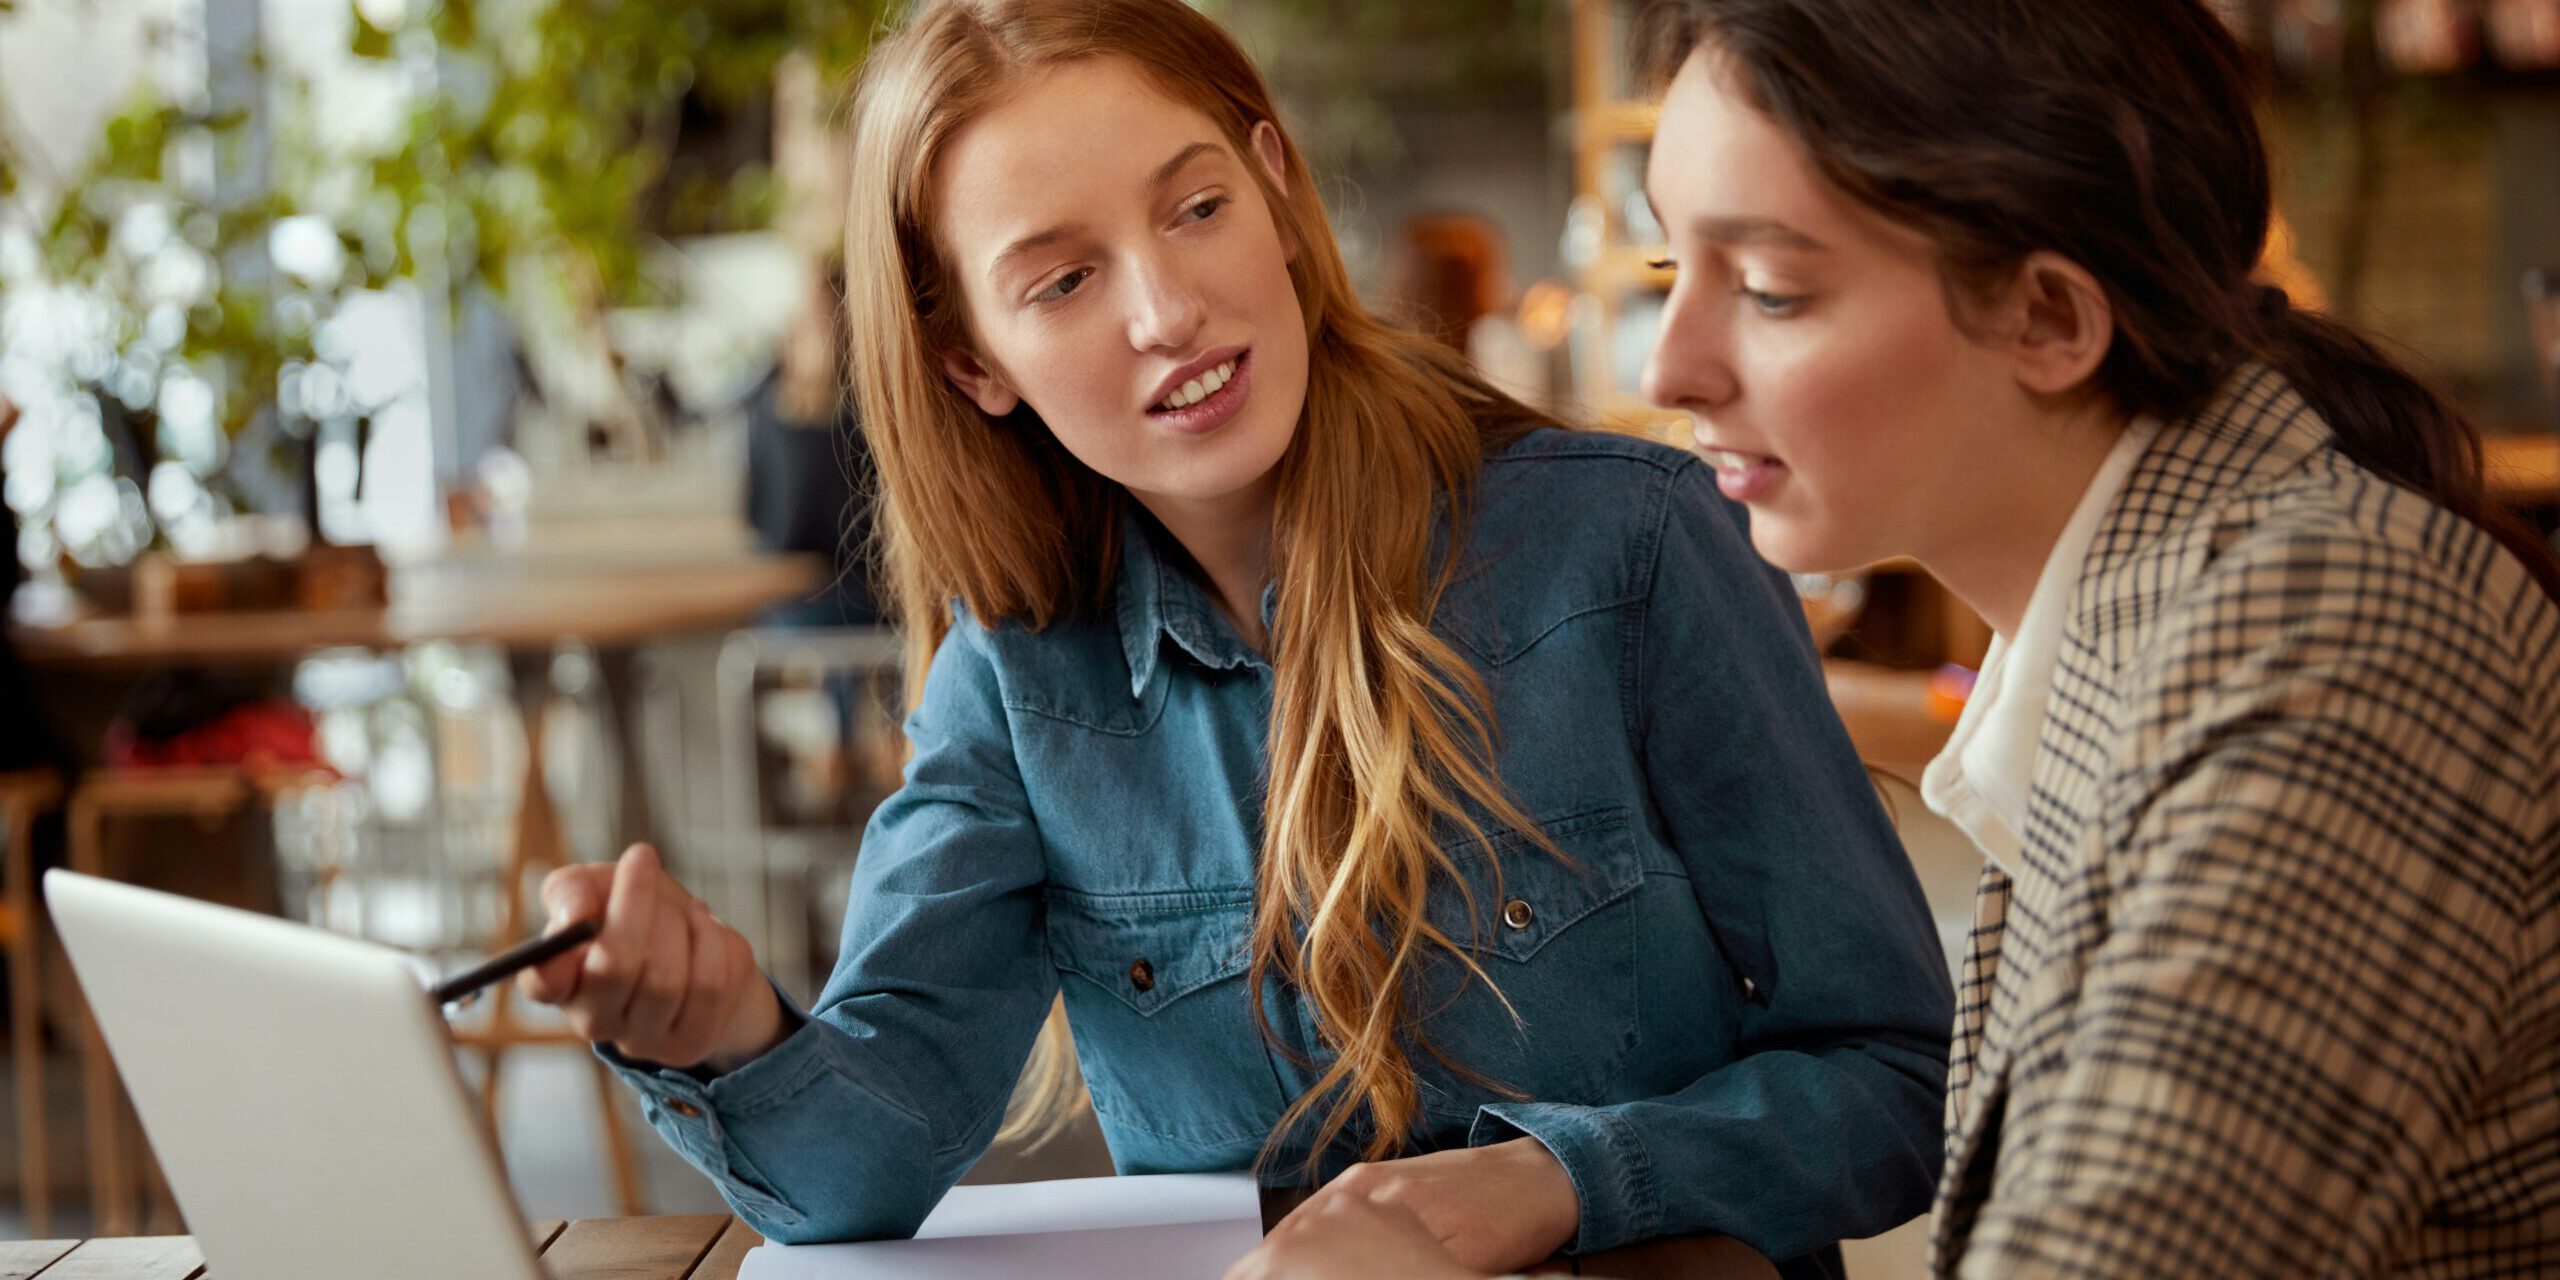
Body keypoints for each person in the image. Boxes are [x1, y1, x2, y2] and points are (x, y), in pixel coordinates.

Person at [519, 1, 1954, 1275]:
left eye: (1195, 207)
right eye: (1062, 282)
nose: (1168, 309)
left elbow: (1896, 1082)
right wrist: (721, 1033)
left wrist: (1544, 1188)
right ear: (973, 363)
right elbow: (857, 1174)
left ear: (1273, 183)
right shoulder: (1017, 686)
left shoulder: (1635, 545)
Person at [1233, 0, 2560, 1276]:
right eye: (1666, 268)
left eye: (1768, 289)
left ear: (2047, 316)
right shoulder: (2156, 620)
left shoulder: (2330, 642)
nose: (1670, 367)